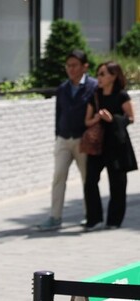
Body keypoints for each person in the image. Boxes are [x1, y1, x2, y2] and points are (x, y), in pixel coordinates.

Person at [37, 49, 97, 232]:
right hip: (64, 139)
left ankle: (90, 215)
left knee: (88, 179)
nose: (70, 69)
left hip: (83, 140)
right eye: (68, 65)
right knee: (58, 176)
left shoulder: (93, 87)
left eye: (74, 65)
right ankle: (55, 217)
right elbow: (59, 114)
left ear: (84, 67)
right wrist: (57, 136)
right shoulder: (63, 88)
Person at [83, 60, 137, 232]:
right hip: (97, 145)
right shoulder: (95, 95)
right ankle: (94, 219)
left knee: (118, 184)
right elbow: (87, 121)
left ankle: (114, 220)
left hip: (116, 144)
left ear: (113, 76)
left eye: (102, 74)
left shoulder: (121, 95)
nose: (98, 77)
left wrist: (112, 119)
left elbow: (131, 118)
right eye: (98, 74)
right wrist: (98, 118)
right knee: (90, 180)